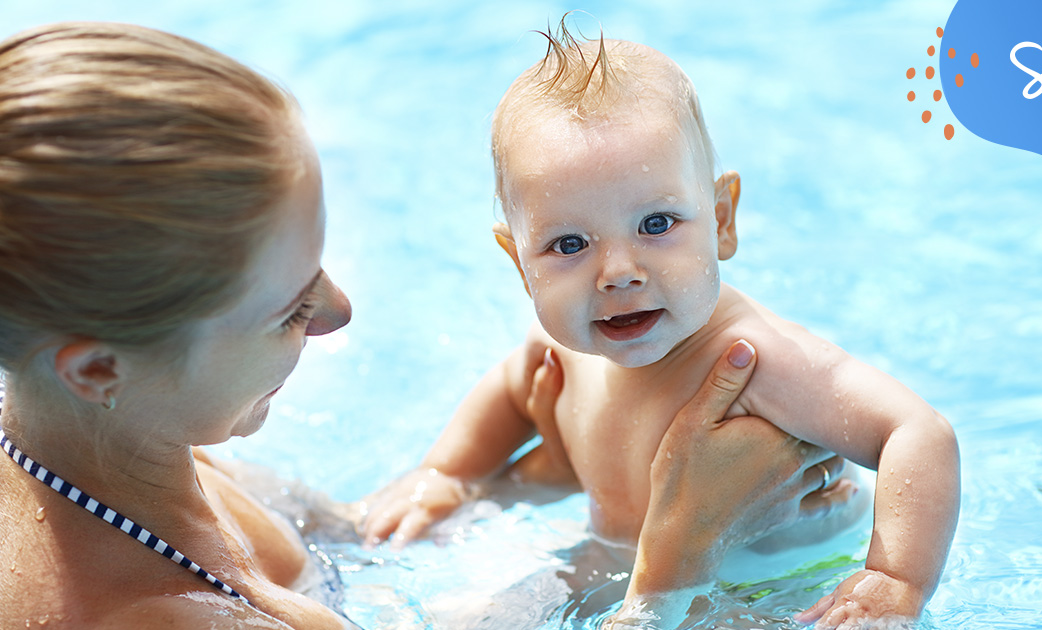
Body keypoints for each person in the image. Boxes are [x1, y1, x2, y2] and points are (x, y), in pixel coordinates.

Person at [0, 21, 843, 630]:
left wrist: (527, 476)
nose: (338, 312)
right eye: (290, 307)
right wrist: (675, 557)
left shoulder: (111, 446)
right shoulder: (164, 618)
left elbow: (362, 551)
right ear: (98, 369)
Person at [364, 23, 961, 629]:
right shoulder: (562, 348)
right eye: (569, 243)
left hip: (783, 588)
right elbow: (515, 389)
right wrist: (447, 476)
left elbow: (916, 431)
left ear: (722, 222)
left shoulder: (751, 359)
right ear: (520, 265)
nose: (618, 273)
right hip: (630, 571)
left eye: (656, 224)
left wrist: (895, 579)